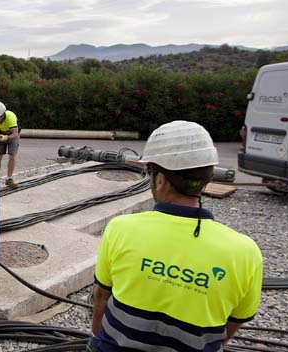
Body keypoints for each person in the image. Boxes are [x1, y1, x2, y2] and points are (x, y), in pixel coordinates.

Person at [89, 121, 263, 352]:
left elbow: (102, 297)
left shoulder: (121, 229)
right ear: (206, 179)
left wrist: (96, 341)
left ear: (160, 179)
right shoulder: (246, 252)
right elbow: (233, 323)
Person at [0, 101, 20, 189]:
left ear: (3, 115)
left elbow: (15, 134)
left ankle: (9, 179)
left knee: (12, 155)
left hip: (12, 136)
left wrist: (6, 138)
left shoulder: (11, 117)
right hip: (0, 136)